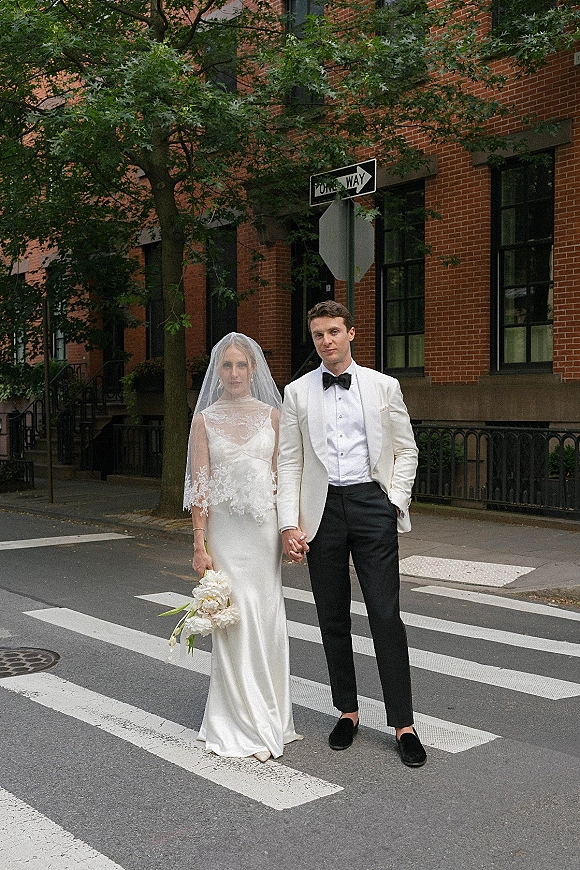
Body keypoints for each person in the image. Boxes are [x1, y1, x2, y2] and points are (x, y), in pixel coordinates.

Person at [277, 301, 426, 767]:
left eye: (334, 332)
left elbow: (407, 450)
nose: (326, 341)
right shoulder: (297, 392)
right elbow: (288, 461)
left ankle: (404, 724)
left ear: (352, 334)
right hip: (322, 514)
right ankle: (347, 711)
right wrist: (288, 523)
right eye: (318, 334)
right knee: (332, 618)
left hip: (370, 505)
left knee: (385, 615)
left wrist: (393, 502)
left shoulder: (384, 386)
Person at [183, 332, 302, 762]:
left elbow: (285, 477)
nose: (234, 373)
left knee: (265, 618)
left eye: (241, 365)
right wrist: (199, 542)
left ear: (254, 370)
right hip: (227, 536)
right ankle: (232, 718)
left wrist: (291, 530)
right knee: (232, 620)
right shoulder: (205, 421)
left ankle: (269, 714)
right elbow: (200, 486)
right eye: (227, 366)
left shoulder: (273, 416)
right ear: (218, 372)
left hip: (263, 534)